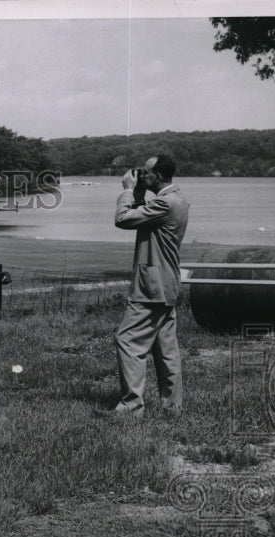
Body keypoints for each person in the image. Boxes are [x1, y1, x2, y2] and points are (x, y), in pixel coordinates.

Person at [112, 155, 190, 417]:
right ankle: (172, 408)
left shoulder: (165, 203)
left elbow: (124, 219)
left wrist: (126, 191)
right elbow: (141, 216)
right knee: (165, 349)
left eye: (146, 173)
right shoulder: (175, 199)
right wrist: (139, 192)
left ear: (158, 176)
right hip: (167, 284)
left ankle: (131, 406)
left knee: (127, 340)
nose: (142, 176)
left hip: (152, 288)